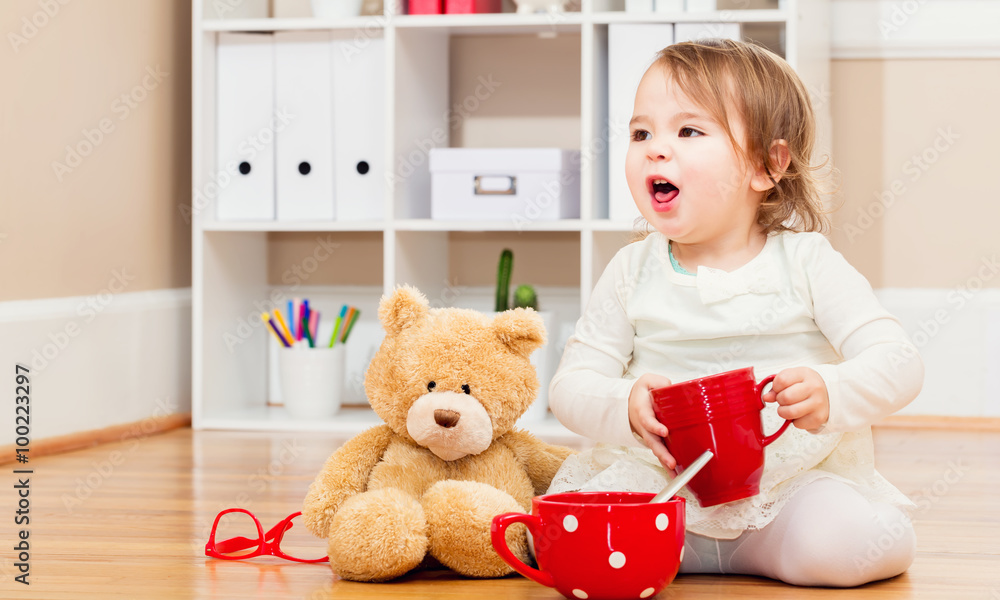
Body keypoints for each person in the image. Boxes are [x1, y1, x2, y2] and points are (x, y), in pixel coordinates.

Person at [547, 39, 924, 587]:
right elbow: (570, 386)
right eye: (640, 133)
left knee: (851, 546)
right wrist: (624, 404)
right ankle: (669, 548)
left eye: (689, 131)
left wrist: (831, 390)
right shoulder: (631, 269)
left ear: (767, 166)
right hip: (662, 487)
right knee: (554, 539)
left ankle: (750, 549)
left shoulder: (807, 261)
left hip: (786, 490)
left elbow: (899, 361)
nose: (655, 149)